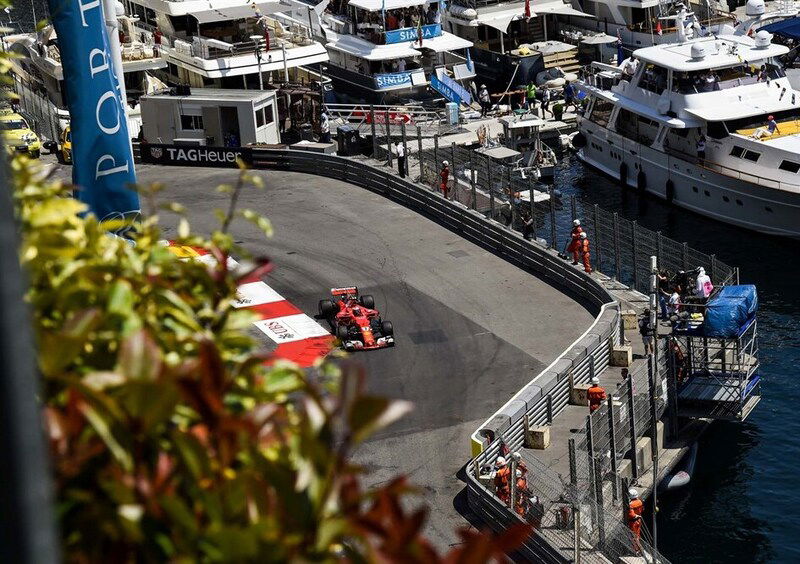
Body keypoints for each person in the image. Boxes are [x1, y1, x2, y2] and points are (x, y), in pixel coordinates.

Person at [627, 488, 644, 552]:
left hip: (633, 522)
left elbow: (632, 514)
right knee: (637, 535)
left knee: (633, 536)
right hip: (639, 520)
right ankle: (638, 547)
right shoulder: (640, 501)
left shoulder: (631, 504)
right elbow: (642, 509)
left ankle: (636, 550)